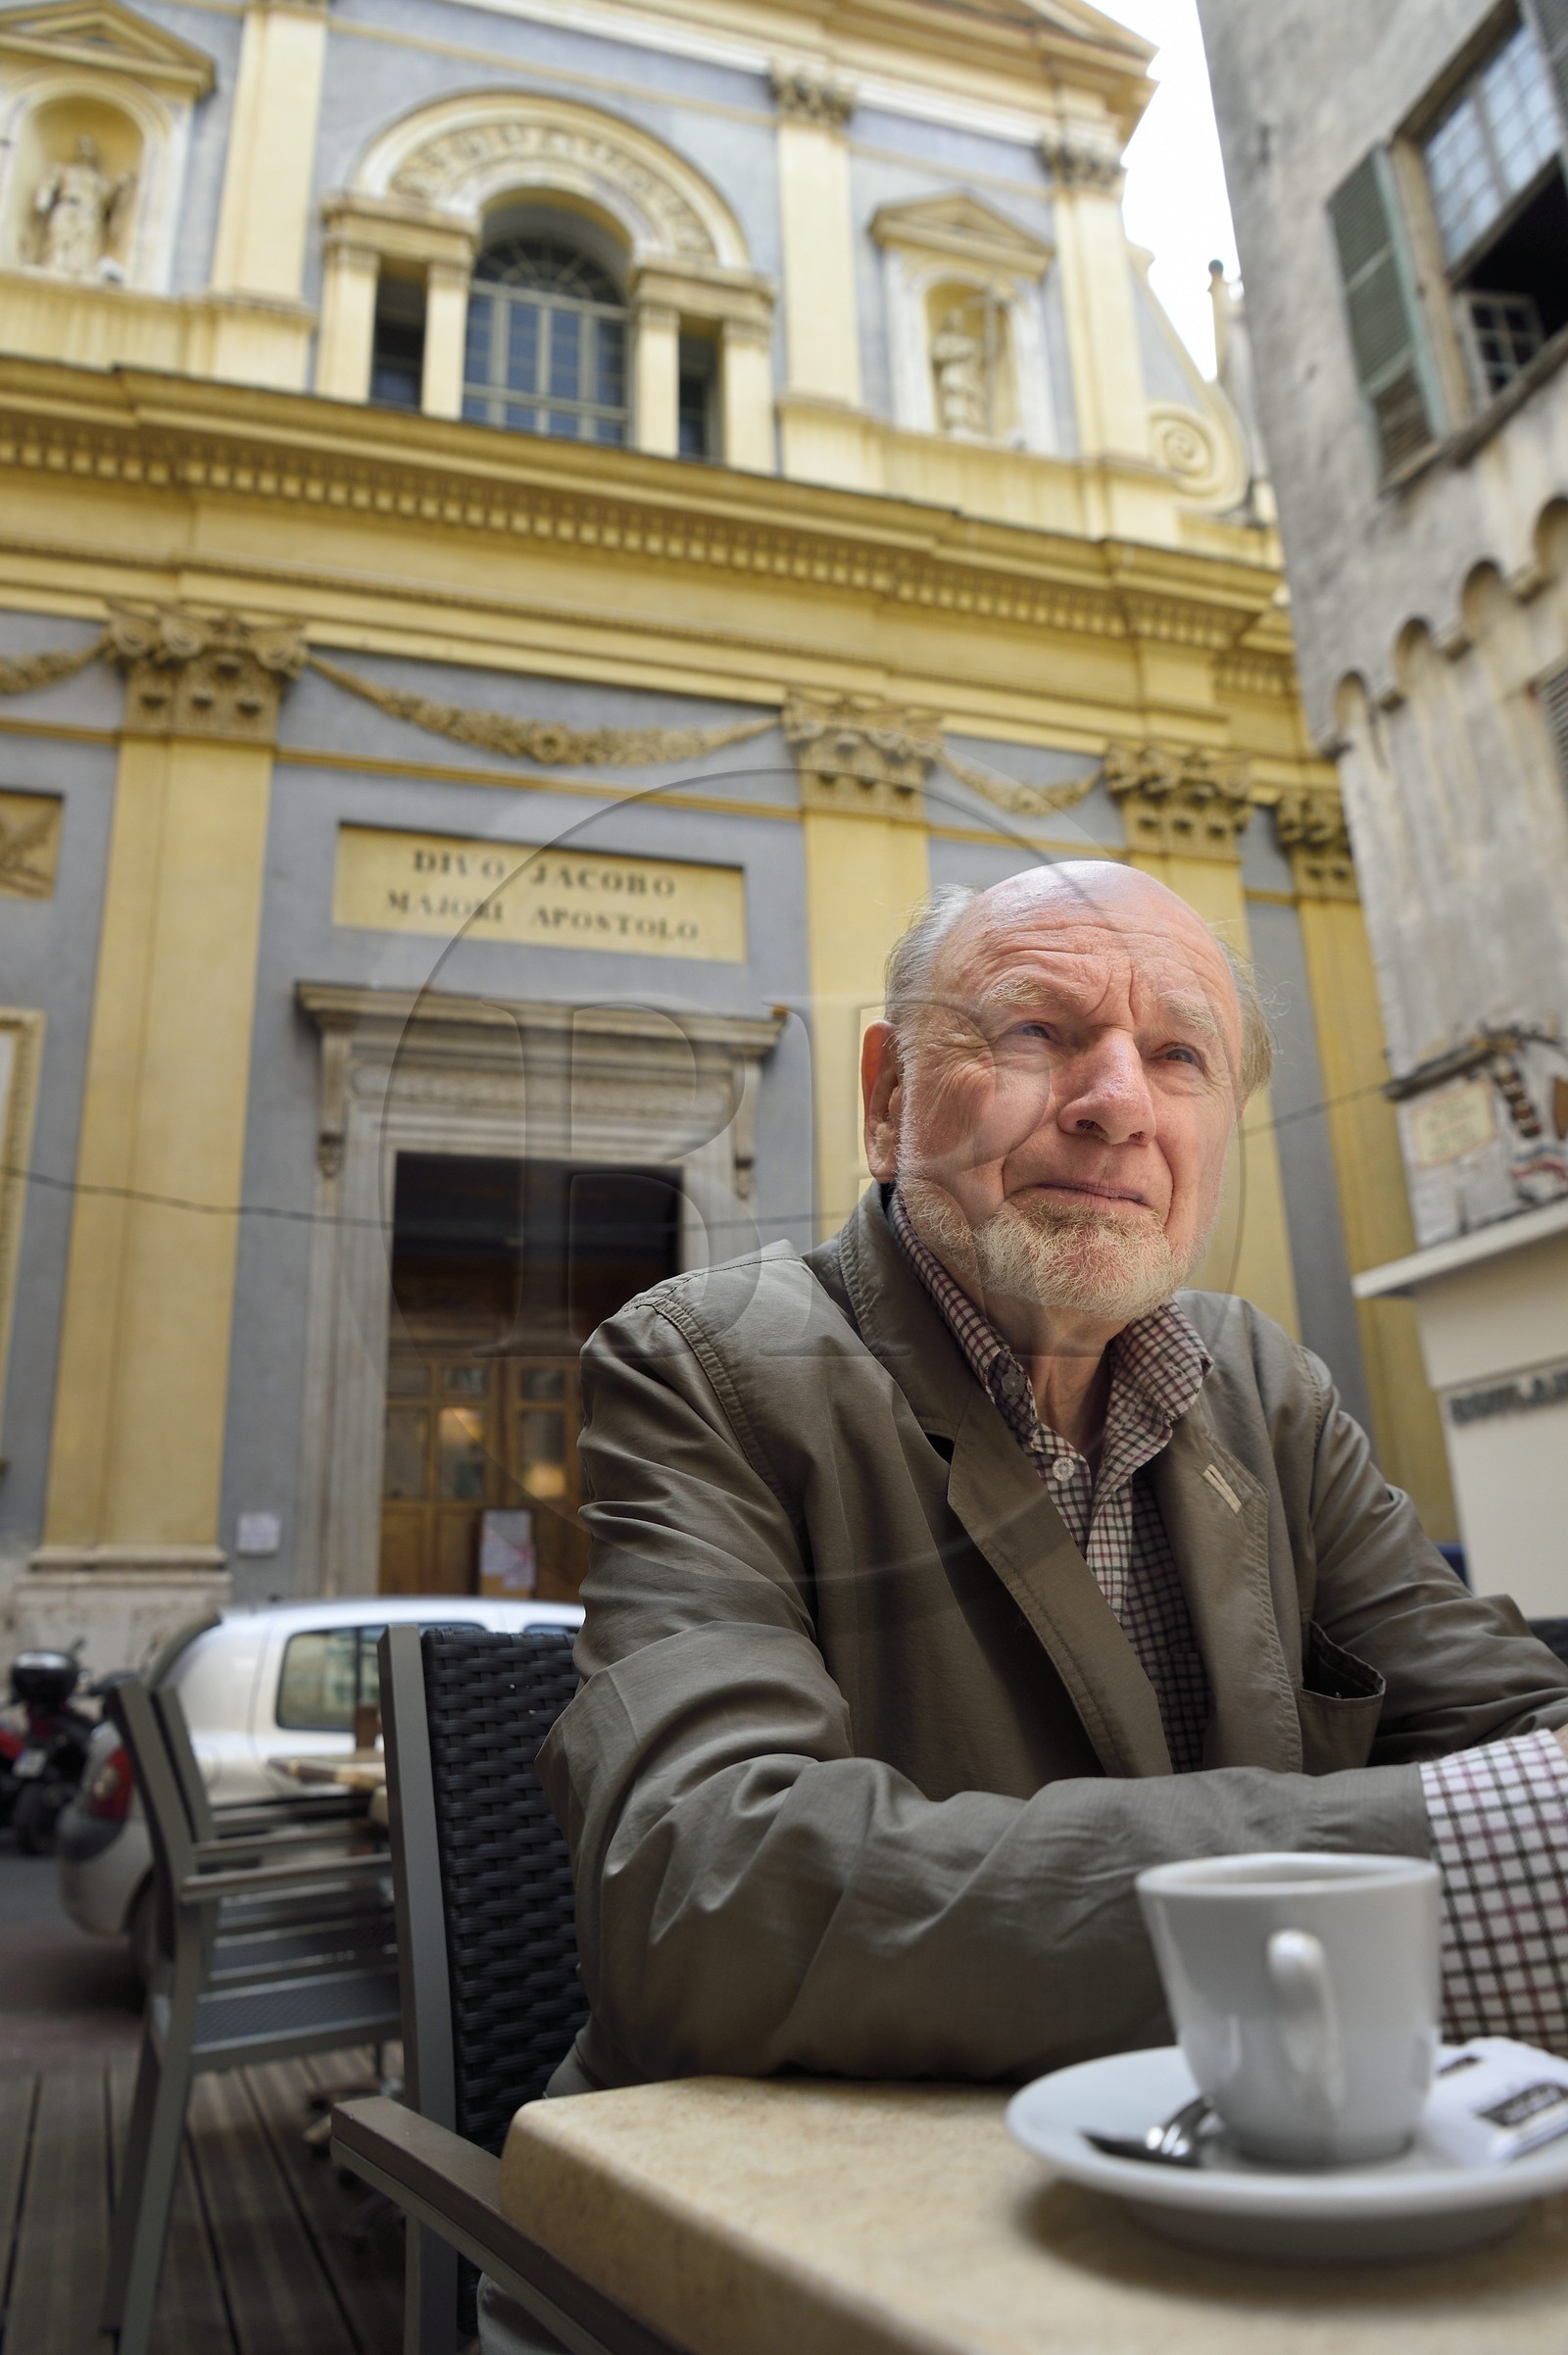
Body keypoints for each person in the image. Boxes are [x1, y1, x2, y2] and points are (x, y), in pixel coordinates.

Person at [540, 861, 1568, 2093]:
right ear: (888, 1098)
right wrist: (1431, 1861)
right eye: (1035, 1032)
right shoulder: (704, 1363)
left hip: (1260, 2145)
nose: (1118, 1103)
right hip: (824, 2178)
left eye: (1180, 1055)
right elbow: (699, 1893)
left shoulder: (1266, 1387)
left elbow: (1517, 1733)